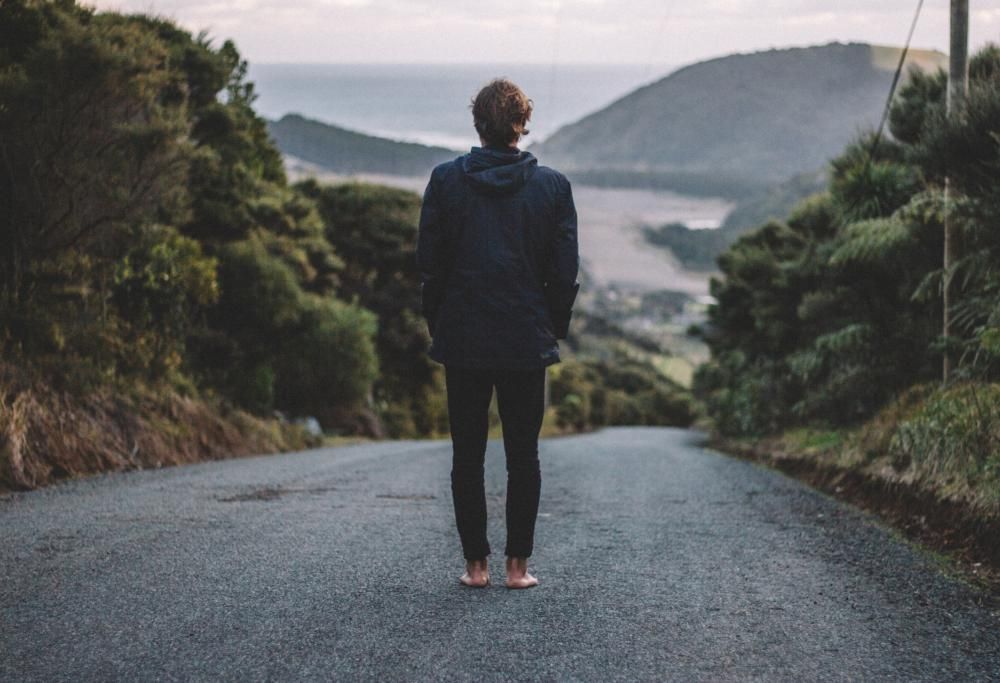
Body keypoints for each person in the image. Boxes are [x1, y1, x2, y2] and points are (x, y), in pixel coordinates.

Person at [416, 78, 580, 589]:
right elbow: (565, 271)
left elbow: (430, 268)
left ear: (478, 125)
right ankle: (518, 569)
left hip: (463, 339)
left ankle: (475, 568)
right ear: (520, 125)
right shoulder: (554, 187)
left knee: (467, 454)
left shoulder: (444, 182)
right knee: (522, 455)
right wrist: (550, 328)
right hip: (525, 340)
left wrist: (439, 325)